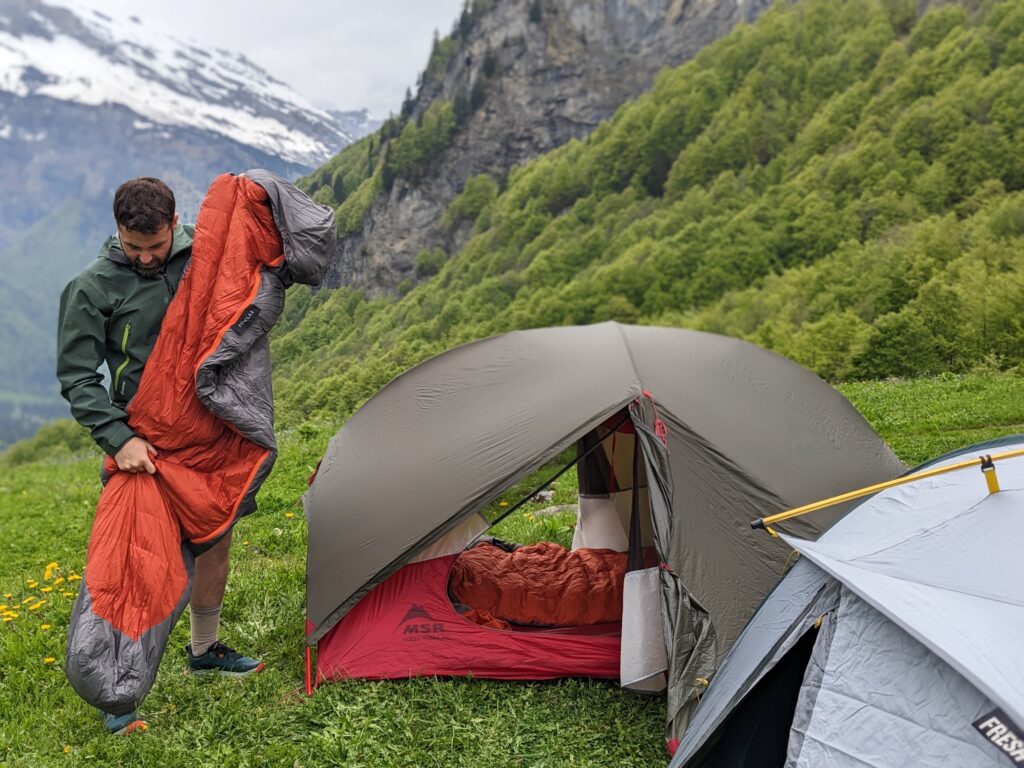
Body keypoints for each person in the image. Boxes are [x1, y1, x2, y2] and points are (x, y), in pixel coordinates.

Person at [57, 178, 263, 735]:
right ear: (118, 231)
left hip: (209, 432)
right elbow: (77, 378)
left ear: (174, 222)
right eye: (133, 248)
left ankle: (204, 648)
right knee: (134, 559)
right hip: (142, 441)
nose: (146, 259)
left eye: (155, 246)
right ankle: (115, 695)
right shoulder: (92, 287)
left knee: (216, 536)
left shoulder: (205, 259)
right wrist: (118, 438)